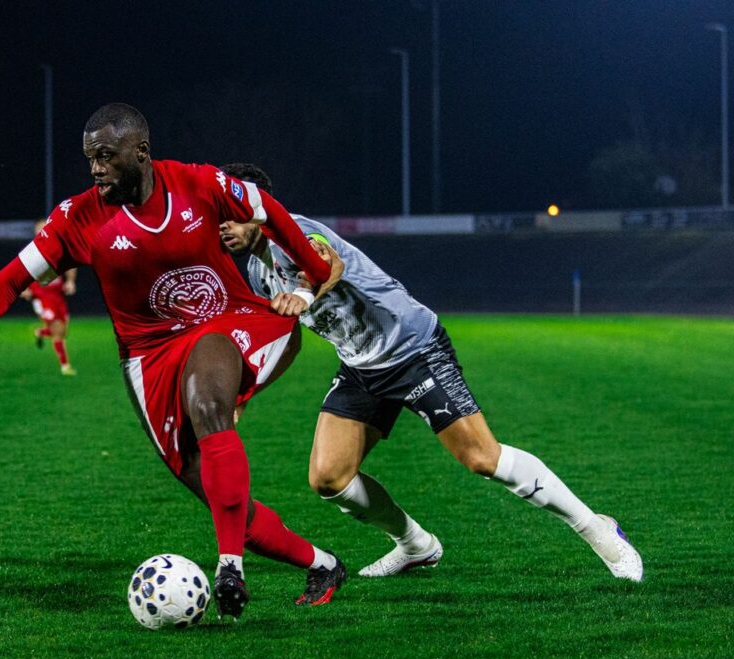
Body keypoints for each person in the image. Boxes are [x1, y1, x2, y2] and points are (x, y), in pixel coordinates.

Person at [0, 104, 348, 619]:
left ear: (140, 153)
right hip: (150, 361)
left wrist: (309, 273)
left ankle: (228, 565)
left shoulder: (198, 184)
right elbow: (12, 279)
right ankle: (322, 564)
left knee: (209, 403)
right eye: (89, 159)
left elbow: (267, 209)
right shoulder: (78, 219)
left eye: (105, 156)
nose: (95, 168)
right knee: (217, 493)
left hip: (225, 323)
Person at [219, 163, 643, 582]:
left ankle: (596, 528)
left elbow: (325, 263)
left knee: (481, 458)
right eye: (220, 214)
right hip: (361, 366)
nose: (225, 225)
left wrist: (303, 291)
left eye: (234, 213)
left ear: (260, 207)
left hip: (414, 349)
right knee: (328, 477)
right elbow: (288, 340)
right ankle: (415, 545)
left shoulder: (296, 232)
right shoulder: (257, 272)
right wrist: (245, 393)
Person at [20, 221, 78, 375]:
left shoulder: (59, 249)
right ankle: (65, 366)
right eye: (40, 229)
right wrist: (24, 289)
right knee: (58, 331)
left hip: (58, 296)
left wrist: (70, 281)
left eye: (46, 227)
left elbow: (72, 264)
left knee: (63, 331)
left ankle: (39, 332)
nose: (43, 231)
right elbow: (21, 271)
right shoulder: (31, 252)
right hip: (42, 298)